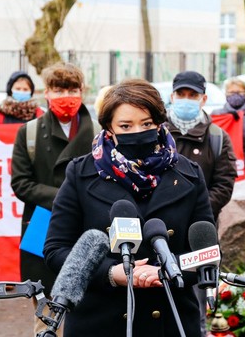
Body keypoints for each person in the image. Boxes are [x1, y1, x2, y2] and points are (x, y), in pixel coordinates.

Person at [43, 78, 214, 337]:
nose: (137, 131)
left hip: (170, 319)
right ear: (109, 129)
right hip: (100, 321)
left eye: (146, 124)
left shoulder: (189, 174)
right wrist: (112, 274)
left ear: (159, 122)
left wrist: (166, 270)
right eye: (126, 125)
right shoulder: (81, 173)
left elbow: (206, 252)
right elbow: (56, 249)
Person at [10, 62, 99, 335]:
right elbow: (21, 183)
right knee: (47, 316)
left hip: (87, 228)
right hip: (43, 230)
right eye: (59, 89)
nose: (65, 96)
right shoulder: (30, 132)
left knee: (90, 311)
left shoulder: (99, 132)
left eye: (72, 89)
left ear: (82, 91)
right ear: (46, 92)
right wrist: (66, 198)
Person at [166, 70, 237, 222]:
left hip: (201, 226)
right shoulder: (156, 132)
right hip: (159, 222)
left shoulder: (217, 137)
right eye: (181, 94)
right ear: (172, 97)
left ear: (203, 99)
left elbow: (224, 183)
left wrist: (200, 210)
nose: (186, 99)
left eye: (193, 95)